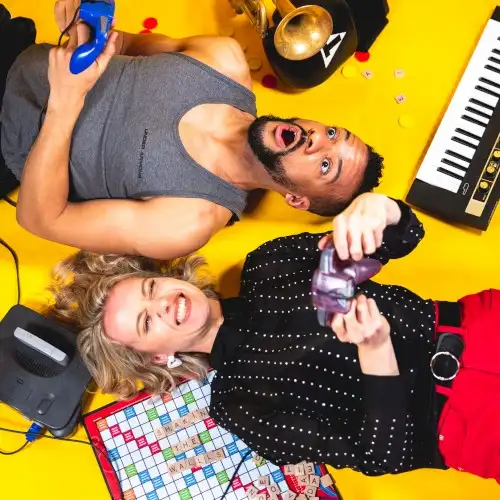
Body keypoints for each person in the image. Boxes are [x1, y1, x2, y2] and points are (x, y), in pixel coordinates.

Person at [45, 190, 500, 482]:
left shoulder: (269, 267)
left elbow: (402, 237)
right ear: (158, 358)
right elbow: (381, 455)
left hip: (479, 323)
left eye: (150, 288)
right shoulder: (238, 404)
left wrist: (379, 210)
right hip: (469, 427)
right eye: (147, 323)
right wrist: (375, 351)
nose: (162, 304)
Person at [0, 1, 384, 260]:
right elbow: (127, 44)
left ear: (296, 199)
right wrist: (84, 29)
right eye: (332, 134)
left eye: (325, 166)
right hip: (15, 48)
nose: (318, 142)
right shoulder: (223, 60)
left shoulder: (187, 222)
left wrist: (64, 105)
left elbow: (41, 218)